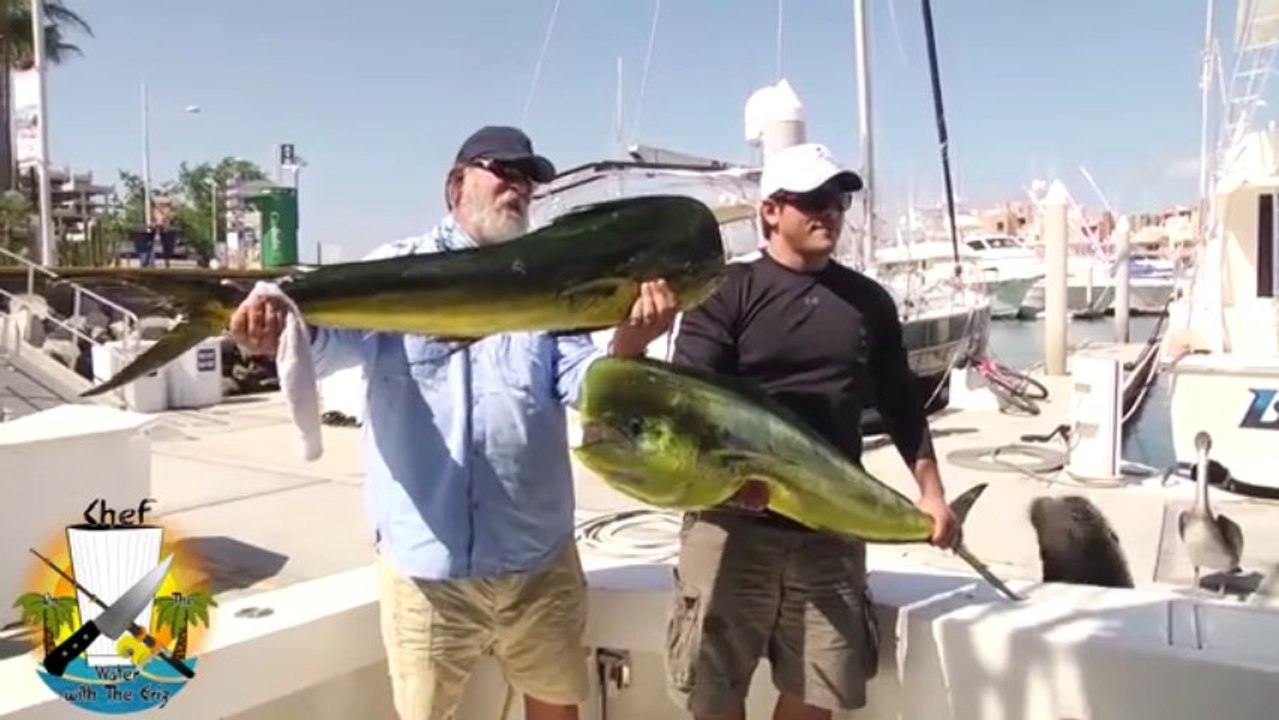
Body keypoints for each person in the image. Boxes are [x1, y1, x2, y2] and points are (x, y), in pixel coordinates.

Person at [228, 126, 678, 720]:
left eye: (528, 180)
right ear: (455, 183)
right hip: (427, 570)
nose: (518, 187)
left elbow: (583, 385)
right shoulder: (397, 268)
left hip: (537, 559)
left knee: (558, 708)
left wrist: (628, 344)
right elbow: (322, 342)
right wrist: (271, 331)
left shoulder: (549, 281)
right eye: (504, 171)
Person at [663, 142, 960, 720]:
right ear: (770, 210)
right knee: (713, 693)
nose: (828, 209)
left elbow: (901, 402)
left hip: (830, 525)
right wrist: (725, 485)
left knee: (818, 690)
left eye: (837, 198)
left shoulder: (868, 301)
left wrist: (932, 493)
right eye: (811, 199)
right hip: (733, 522)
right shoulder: (726, 290)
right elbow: (689, 398)